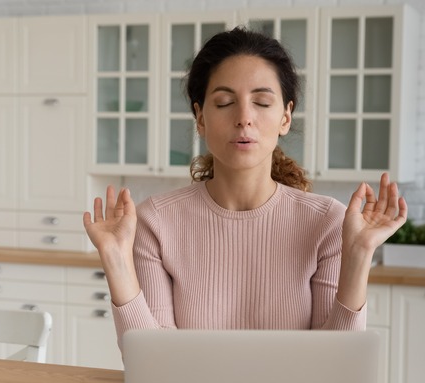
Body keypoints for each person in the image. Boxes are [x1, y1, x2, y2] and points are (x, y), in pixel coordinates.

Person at [83, 27, 407, 350]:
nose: (244, 118)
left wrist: (360, 254)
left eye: (262, 102)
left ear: (286, 117)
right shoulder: (156, 221)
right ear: (200, 117)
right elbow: (151, 362)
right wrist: (115, 259)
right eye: (224, 102)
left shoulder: (327, 223)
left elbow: (337, 366)